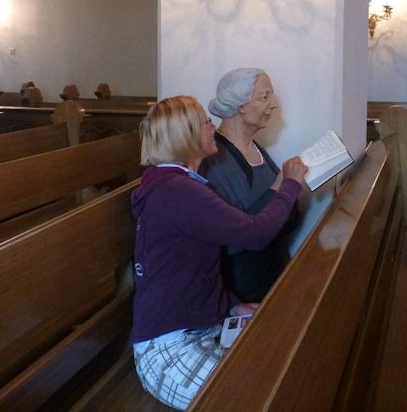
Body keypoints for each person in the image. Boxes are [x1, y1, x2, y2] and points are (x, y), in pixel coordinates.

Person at [131, 95, 307, 410]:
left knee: (286, 366)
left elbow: (193, 270)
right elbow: (255, 235)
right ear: (186, 135)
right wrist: (289, 186)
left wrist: (233, 306)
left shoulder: (182, 186)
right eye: (205, 122)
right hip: (168, 348)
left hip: (203, 327)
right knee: (254, 401)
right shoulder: (178, 191)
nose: (213, 126)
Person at [199, 68, 298, 302]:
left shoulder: (255, 148)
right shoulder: (215, 160)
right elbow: (234, 239)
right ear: (240, 105)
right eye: (264, 97)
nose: (273, 105)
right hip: (247, 290)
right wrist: (283, 186)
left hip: (276, 275)